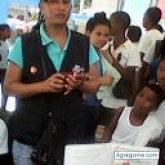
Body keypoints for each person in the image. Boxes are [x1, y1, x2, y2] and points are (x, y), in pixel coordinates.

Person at [4, 0, 101, 164]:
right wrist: (43, 86)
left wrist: (80, 84)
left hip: (69, 139)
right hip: (29, 139)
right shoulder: (25, 43)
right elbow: (9, 87)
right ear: (42, 7)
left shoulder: (83, 44)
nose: (61, 7)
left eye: (66, 2)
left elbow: (94, 85)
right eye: (54, 2)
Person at [96, 84, 164, 146]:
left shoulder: (153, 125)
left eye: (148, 100)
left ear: (154, 108)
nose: (141, 100)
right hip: (111, 150)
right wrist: (102, 144)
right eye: (141, 95)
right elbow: (108, 132)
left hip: (130, 156)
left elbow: (147, 151)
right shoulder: (121, 111)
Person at [99, 11, 141, 108]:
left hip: (117, 101)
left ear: (119, 25)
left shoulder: (132, 49)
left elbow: (129, 76)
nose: (108, 25)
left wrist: (111, 58)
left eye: (111, 22)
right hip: (102, 96)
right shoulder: (107, 43)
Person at [85, 12, 121, 108]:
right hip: (85, 103)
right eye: (98, 34)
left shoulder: (100, 53)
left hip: (98, 102)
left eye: (106, 35)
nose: (102, 38)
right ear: (88, 33)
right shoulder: (82, 52)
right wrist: (100, 80)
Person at [0, 24, 11, 110]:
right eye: (7, 31)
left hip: (5, 71)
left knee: (5, 91)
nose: (9, 33)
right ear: (1, 32)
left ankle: (3, 109)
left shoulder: (6, 43)